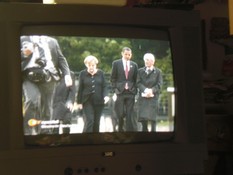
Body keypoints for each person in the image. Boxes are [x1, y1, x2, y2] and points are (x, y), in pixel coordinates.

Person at [21, 35, 72, 134]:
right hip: (29, 76)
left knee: (47, 107)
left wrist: (67, 74)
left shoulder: (53, 41)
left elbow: (61, 59)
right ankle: (28, 133)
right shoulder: (23, 39)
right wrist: (24, 54)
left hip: (49, 75)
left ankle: (45, 134)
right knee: (32, 100)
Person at [77, 55, 109, 133]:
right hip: (87, 101)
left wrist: (106, 96)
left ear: (96, 65)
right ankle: (86, 140)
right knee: (89, 120)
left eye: (93, 65)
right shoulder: (82, 74)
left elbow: (104, 86)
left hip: (99, 101)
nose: (91, 67)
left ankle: (95, 141)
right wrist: (79, 102)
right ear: (86, 65)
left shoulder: (101, 73)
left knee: (96, 123)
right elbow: (80, 88)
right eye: (89, 65)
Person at [110, 47, 138, 132]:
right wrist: (115, 90)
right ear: (122, 54)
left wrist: (134, 90)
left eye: (129, 54)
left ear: (131, 55)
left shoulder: (134, 65)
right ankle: (120, 130)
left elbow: (136, 79)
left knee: (130, 114)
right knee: (120, 113)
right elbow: (113, 78)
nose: (127, 56)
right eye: (126, 54)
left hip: (130, 92)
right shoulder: (116, 63)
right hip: (120, 92)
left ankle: (129, 132)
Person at [136, 53, 163, 132]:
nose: (146, 61)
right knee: (143, 120)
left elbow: (159, 84)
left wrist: (151, 90)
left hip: (153, 98)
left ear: (153, 61)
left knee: (153, 119)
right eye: (145, 60)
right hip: (143, 98)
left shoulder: (158, 72)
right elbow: (138, 83)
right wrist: (145, 90)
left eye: (148, 60)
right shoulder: (140, 71)